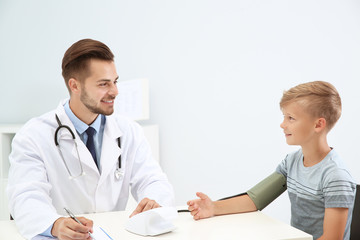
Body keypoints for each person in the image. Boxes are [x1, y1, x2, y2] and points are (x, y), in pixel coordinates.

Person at [7, 39, 175, 240]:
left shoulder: (128, 131)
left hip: (112, 234)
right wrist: (55, 224)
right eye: (104, 84)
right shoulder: (33, 135)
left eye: (115, 81)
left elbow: (153, 180)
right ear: (74, 85)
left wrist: (153, 201)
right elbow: (26, 197)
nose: (114, 91)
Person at [187, 81, 356, 240]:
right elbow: (255, 199)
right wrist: (213, 207)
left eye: (291, 118)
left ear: (318, 125)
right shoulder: (292, 162)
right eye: (284, 117)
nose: (282, 124)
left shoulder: (336, 176)